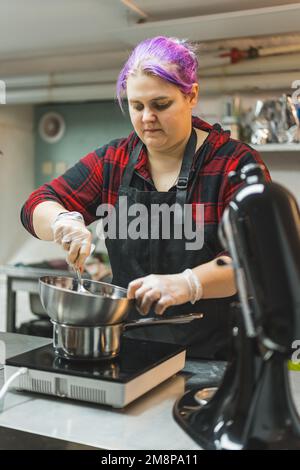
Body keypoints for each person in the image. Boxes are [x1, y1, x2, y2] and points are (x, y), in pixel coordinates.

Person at [21, 36, 270, 359]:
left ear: (191, 95)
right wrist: (61, 220)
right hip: (128, 351)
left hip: (215, 358)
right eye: (136, 106)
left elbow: (255, 259)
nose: (146, 118)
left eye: (160, 104)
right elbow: (36, 203)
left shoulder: (234, 164)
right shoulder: (114, 160)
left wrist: (188, 283)